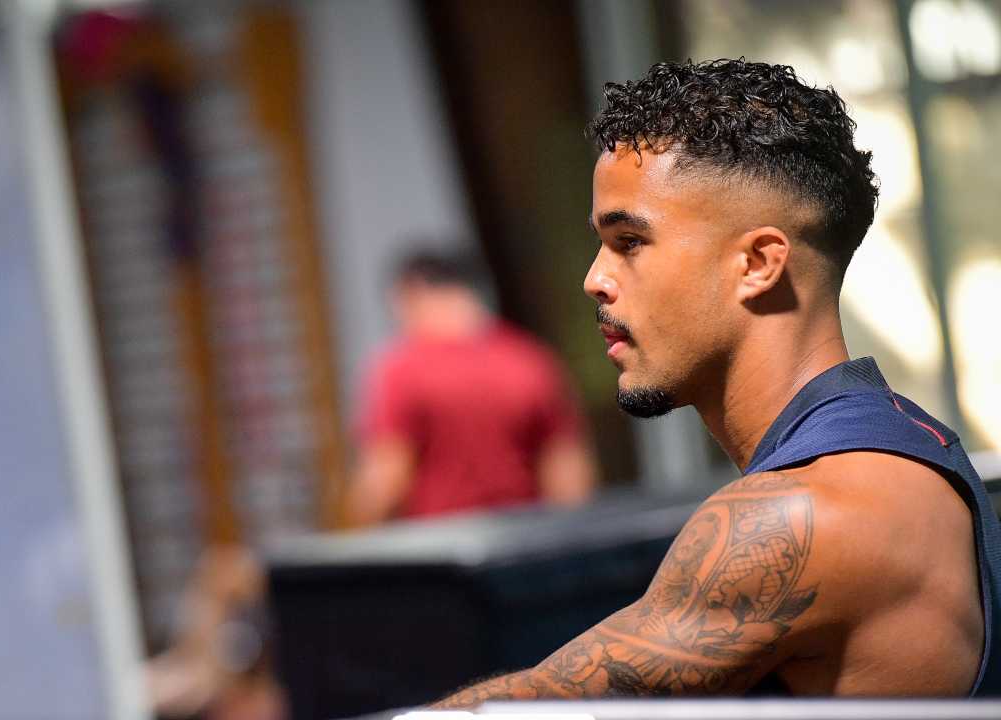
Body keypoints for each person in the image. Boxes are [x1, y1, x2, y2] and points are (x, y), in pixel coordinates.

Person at [433, 58, 1001, 704]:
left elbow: (521, 710)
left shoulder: (799, 517)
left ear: (758, 263)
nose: (595, 279)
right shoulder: (904, 441)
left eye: (629, 240)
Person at [344, 250, 599, 526]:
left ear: (414, 293)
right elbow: (568, 475)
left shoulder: (403, 370)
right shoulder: (529, 360)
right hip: (522, 537)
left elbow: (386, 478)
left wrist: (353, 536)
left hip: (439, 542)